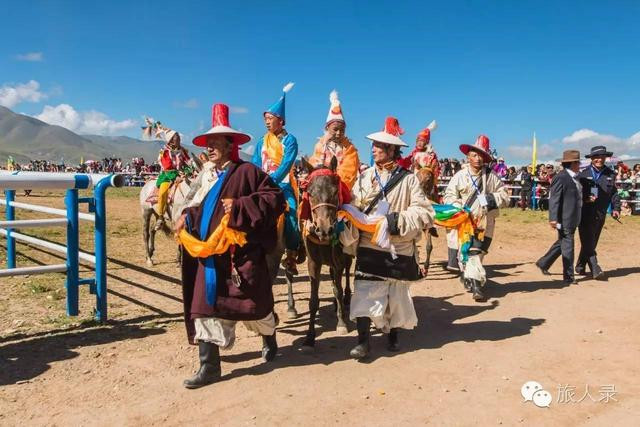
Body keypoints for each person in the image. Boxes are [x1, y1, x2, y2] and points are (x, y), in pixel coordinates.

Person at [175, 104, 285, 389]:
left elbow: (275, 199)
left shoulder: (248, 172)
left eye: (215, 143)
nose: (210, 148)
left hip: (240, 255)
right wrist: (187, 217)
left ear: (230, 144)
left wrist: (240, 205)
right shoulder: (207, 175)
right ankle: (209, 367)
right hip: (211, 258)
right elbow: (204, 210)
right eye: (208, 143)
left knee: (255, 307)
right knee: (204, 306)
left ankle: (268, 334)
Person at [348, 117, 434, 358]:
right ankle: (363, 341)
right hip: (369, 244)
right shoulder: (364, 178)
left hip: (398, 247)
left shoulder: (408, 180)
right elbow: (353, 203)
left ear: (392, 150)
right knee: (364, 291)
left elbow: (425, 212)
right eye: (374, 145)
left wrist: (394, 222)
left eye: (379, 145)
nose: (374, 149)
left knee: (396, 296)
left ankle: (394, 332)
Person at [443, 135, 509, 300]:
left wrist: (492, 199)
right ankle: (476, 286)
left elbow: (505, 195)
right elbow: (449, 195)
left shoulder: (492, 176)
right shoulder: (459, 176)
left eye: (481, 155)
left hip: (483, 222)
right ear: (468, 156)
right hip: (464, 222)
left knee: (478, 253)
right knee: (469, 252)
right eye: (474, 155)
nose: (477, 158)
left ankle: (469, 276)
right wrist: (458, 206)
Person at [251, 82, 302, 275]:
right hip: (260, 185)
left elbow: (286, 164)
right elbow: (256, 163)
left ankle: (291, 255)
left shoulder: (290, 140)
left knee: (291, 215)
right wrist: (256, 181)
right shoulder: (261, 142)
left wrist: (271, 180)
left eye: (270, 118)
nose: (266, 122)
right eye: (265, 119)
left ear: (280, 120)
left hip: (282, 185)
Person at [536, 150, 583, 284]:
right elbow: (554, 199)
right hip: (564, 218)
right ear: (573, 163)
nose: (579, 164)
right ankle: (568, 276)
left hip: (574, 216)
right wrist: (553, 217)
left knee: (562, 242)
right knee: (568, 244)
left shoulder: (575, 177)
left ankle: (543, 263)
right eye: (578, 162)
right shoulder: (561, 177)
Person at [575, 146, 621, 279]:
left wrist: (616, 208)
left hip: (600, 213)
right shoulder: (582, 174)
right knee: (588, 240)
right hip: (584, 213)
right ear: (592, 159)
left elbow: (614, 193)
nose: (599, 159)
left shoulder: (610, 174)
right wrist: (585, 198)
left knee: (592, 241)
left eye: (602, 157)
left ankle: (580, 265)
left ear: (605, 158)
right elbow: (576, 194)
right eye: (596, 157)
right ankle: (596, 268)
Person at [141, 118, 193, 222]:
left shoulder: (182, 151)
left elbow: (187, 163)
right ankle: (160, 216)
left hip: (181, 175)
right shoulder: (164, 152)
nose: (179, 140)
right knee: (163, 191)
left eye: (178, 138)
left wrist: (188, 171)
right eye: (176, 138)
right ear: (171, 141)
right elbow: (167, 167)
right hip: (167, 176)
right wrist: (177, 175)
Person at [308, 90, 360, 189]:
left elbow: (347, 174)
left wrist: (330, 184)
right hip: (319, 187)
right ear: (327, 128)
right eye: (335, 129)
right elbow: (314, 165)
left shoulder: (350, 149)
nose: (339, 133)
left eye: (342, 130)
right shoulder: (320, 145)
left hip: (339, 189)